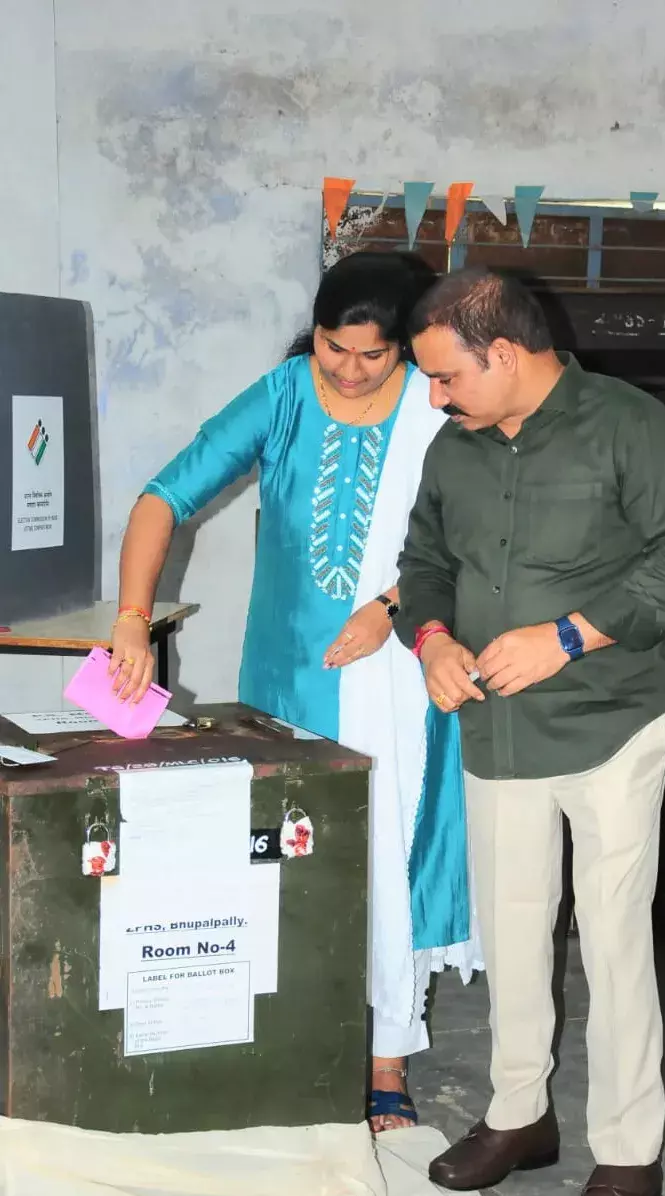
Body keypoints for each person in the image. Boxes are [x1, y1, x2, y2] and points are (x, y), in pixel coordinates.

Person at [110, 250, 483, 1132]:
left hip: (406, 666)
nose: (350, 371)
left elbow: (476, 533)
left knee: (392, 850)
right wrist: (132, 615)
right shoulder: (282, 396)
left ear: (406, 347)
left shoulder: (438, 406)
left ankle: (388, 1056)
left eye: (373, 355)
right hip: (290, 679)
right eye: (331, 348)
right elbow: (165, 496)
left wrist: (393, 606)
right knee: (293, 859)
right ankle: (296, 1041)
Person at [395, 266, 665, 1196]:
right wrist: (433, 636)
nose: (436, 398)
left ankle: (626, 1152)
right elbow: (423, 560)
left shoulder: (632, 426)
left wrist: (569, 634)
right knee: (514, 931)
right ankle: (517, 1114)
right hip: (494, 727)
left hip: (612, 723)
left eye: (447, 376)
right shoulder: (453, 449)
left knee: (616, 946)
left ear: (505, 351)